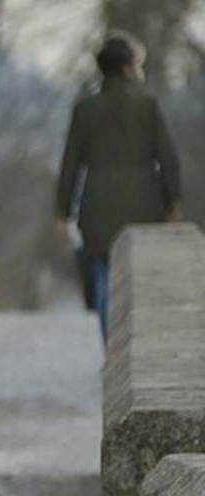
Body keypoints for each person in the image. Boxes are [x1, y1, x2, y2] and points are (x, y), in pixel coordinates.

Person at [56, 31, 183, 344]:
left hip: (97, 206)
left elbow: (70, 162)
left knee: (103, 281)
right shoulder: (147, 106)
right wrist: (173, 202)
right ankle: (136, 346)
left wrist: (62, 209)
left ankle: (110, 348)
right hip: (144, 203)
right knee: (139, 282)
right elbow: (168, 158)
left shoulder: (85, 109)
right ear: (129, 66)